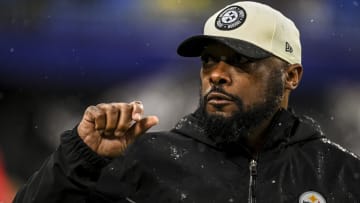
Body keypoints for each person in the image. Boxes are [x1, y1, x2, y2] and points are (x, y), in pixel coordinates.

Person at [14, 1, 360, 203]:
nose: (217, 75)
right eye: (209, 60)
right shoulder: (148, 160)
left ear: (291, 76)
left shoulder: (340, 175)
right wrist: (78, 159)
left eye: (240, 61)